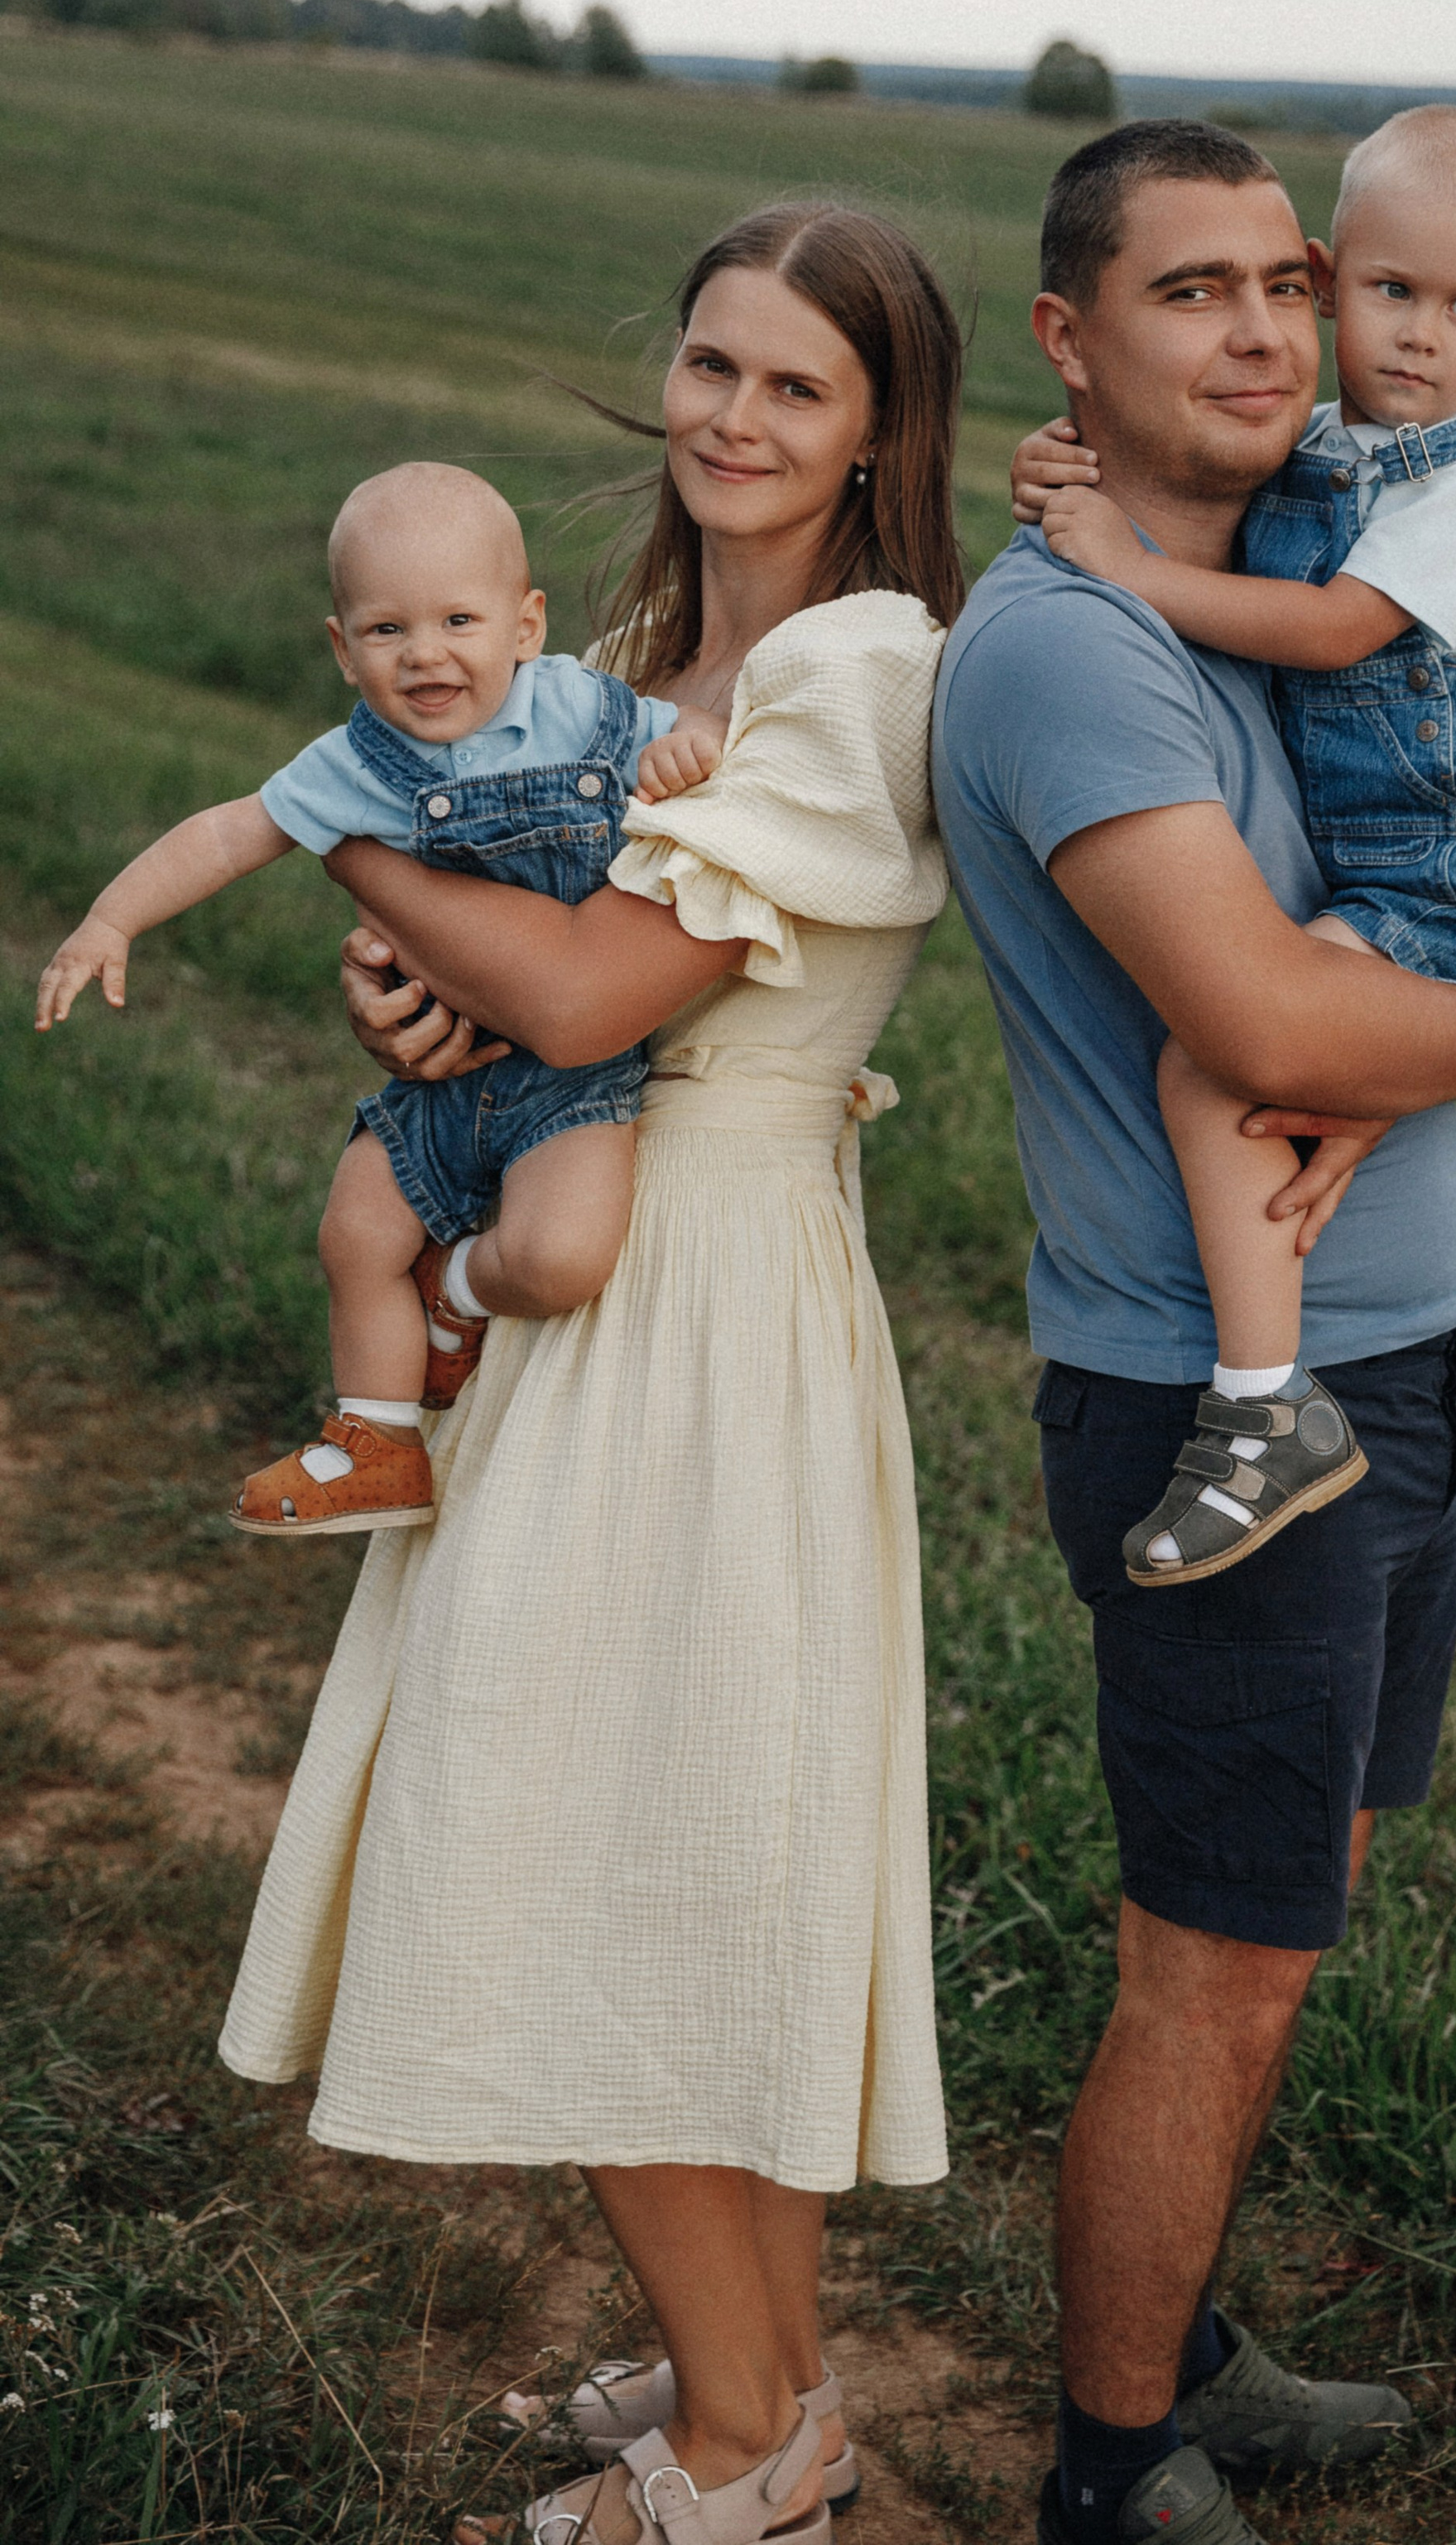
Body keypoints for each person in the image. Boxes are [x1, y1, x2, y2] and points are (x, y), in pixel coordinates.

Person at [219, 202, 966, 2545]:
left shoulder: (861, 672)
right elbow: (519, 996)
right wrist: (418, 998)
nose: (736, 418)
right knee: (671, 1828)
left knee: (588, 1834)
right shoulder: (626, 650)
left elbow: (584, 998)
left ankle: (749, 2455)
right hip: (611, 1260)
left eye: (798, 388)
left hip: (716, 1294)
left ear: (875, 437)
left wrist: (359, 849)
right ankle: (772, 2385)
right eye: (712, 363)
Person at [930, 120, 1456, 2545]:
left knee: (1290, 1921)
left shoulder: (1289, 554)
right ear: (1074, 341)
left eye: (1288, 283)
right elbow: (1271, 1025)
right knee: (1216, 1967)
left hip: (1394, 1370)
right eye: (1191, 292)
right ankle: (1111, 2460)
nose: (1273, 333)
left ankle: (1187, 2343)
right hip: (1218, 1405)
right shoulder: (1079, 646)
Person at [1009, 106, 1456, 1585]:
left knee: (1350, 1811)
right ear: (1349, 281)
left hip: (1447, 882)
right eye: (1195, 294)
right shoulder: (1308, 477)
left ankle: (1307, 1397)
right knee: (1222, 1066)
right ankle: (1266, 1412)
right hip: (1241, 1349)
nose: (1414, 338)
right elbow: (1276, 1034)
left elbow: (1332, 628)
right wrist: (1069, 478)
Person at [34, 461, 721, 1541]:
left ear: (526, 624)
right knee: (354, 1233)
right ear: (343, 650)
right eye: (388, 629)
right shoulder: (355, 763)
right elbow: (226, 833)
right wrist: (111, 921)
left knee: (561, 1256)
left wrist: (690, 746)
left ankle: (461, 1295)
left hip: (576, 1076)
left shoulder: (585, 710)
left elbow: (690, 737)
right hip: (443, 1078)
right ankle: (374, 1437)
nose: (427, 653)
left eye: (459, 619)